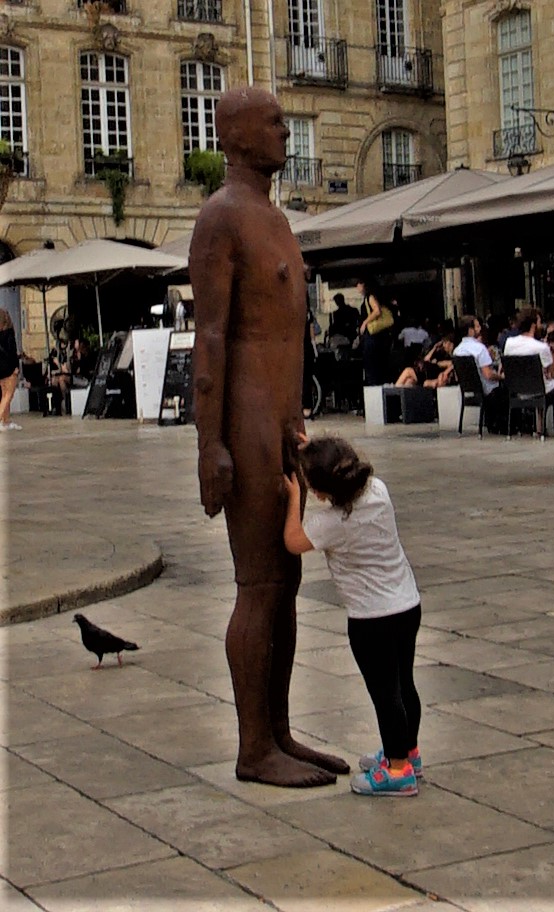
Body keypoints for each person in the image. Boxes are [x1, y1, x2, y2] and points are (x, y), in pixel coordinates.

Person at [189, 86, 348, 788]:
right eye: (275, 122)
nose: (287, 133)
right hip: (246, 426)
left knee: (285, 578)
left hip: (281, 424)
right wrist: (209, 445)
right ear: (237, 135)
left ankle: (278, 731)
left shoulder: (272, 218)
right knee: (258, 583)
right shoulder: (221, 218)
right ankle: (254, 747)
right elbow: (211, 337)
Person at [283, 434, 423, 797]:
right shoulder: (378, 490)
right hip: (407, 605)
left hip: (371, 620)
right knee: (404, 684)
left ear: (319, 492)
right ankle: (409, 752)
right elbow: (340, 471)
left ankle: (397, 771)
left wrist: (294, 496)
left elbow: (292, 542)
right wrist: (316, 452)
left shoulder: (331, 524)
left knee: (385, 694)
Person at [453, 315, 505, 432]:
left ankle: (491, 424)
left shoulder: (457, 351)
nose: (480, 328)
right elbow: (488, 375)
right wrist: (501, 376)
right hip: (486, 390)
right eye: (477, 326)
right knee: (505, 388)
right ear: (470, 330)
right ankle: (504, 426)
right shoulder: (479, 348)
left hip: (469, 388)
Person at [357, 277, 393, 385]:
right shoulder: (378, 296)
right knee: (380, 365)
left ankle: (375, 386)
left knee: (372, 365)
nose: (357, 287)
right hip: (381, 336)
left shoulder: (370, 297)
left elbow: (377, 310)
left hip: (373, 335)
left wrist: (365, 322)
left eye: (358, 284)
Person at [0, 308, 21, 431]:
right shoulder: (9, 333)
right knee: (8, 395)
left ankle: (6, 421)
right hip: (8, 368)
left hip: (0, 369)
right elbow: (12, 352)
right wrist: (15, 367)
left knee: (3, 394)